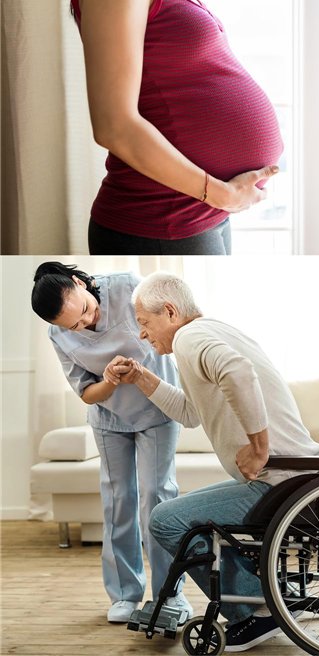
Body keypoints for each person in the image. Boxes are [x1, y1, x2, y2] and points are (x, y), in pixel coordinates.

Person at [70, 0, 282, 255]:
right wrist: (215, 191)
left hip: (196, 209)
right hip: (161, 220)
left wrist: (218, 196)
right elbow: (114, 125)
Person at [106, 272, 319, 652]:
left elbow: (238, 371)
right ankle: (269, 596)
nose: (142, 334)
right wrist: (141, 377)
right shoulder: (209, 331)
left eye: (144, 323)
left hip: (280, 482)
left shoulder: (192, 338)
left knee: (165, 519)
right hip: (288, 478)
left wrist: (259, 446)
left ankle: (255, 614)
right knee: (179, 513)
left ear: (170, 312)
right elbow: (191, 412)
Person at [31, 262, 191, 624]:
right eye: (74, 325)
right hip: (109, 417)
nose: (85, 323)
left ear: (79, 282)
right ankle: (124, 594)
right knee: (118, 502)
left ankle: (171, 595)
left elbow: (168, 333)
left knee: (157, 498)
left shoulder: (129, 288)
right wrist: (110, 379)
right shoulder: (58, 335)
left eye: (85, 310)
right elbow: (88, 393)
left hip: (157, 408)